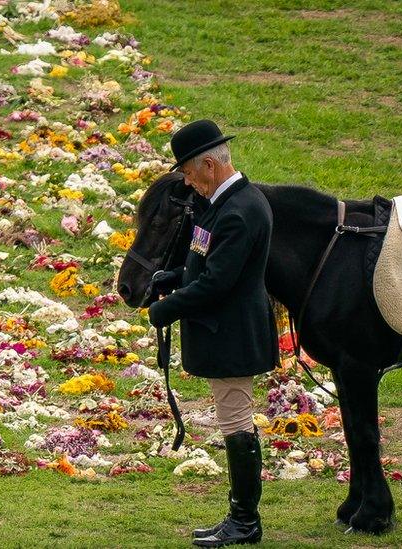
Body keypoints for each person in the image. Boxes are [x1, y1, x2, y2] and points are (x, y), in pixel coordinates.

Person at [146, 119, 278, 547]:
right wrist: (172, 277)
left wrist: (167, 309)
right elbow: (204, 261)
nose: (188, 182)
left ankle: (245, 521)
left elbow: (218, 282)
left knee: (237, 422)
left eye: (186, 173)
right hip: (226, 329)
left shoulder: (240, 211)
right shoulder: (223, 205)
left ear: (207, 164)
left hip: (233, 332)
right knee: (231, 420)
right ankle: (240, 517)